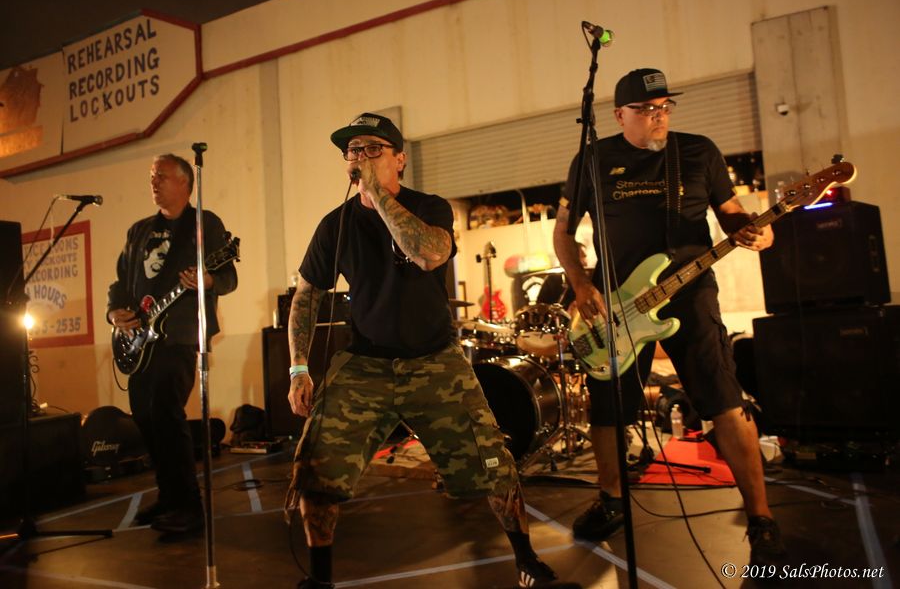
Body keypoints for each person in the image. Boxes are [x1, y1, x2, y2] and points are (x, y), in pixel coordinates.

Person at [284, 113, 558, 588]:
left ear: (400, 159)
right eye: (353, 150)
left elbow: (428, 254)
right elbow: (306, 296)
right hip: (365, 363)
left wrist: (378, 197)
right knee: (316, 468)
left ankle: (525, 558)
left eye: (373, 148)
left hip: (434, 360)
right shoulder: (334, 225)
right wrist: (298, 368)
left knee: (493, 461)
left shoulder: (430, 207)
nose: (360, 157)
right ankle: (321, 579)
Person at [552, 69, 787, 566]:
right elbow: (564, 230)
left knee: (724, 398)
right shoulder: (592, 158)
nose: (657, 116)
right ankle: (612, 500)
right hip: (616, 302)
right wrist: (581, 284)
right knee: (608, 407)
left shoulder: (698, 151)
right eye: (645, 109)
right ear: (619, 115)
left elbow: (733, 213)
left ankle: (761, 518)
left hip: (690, 293)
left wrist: (757, 231)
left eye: (664, 107)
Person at [107, 154, 238, 534]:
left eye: (161, 176)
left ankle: (189, 506)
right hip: (140, 341)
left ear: (184, 182)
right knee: (145, 418)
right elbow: (120, 282)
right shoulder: (139, 231)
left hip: (179, 336)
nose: (154, 182)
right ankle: (168, 496)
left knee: (166, 413)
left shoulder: (204, 224)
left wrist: (207, 281)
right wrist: (114, 313)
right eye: (152, 176)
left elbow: (228, 277)